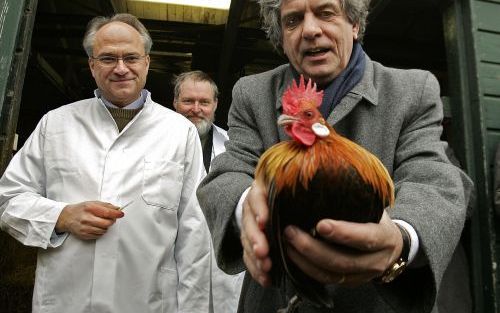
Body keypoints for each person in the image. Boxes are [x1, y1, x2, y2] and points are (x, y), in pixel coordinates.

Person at [196, 0, 474, 312]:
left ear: (354, 25)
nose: (311, 30)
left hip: (376, 303)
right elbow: (229, 169)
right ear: (282, 37)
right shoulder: (253, 93)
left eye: (326, 13)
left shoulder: (412, 89)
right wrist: (250, 207)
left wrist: (400, 239)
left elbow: (434, 176)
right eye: (293, 20)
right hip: (277, 298)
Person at [0, 13, 210, 313]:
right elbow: (7, 199)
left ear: (147, 63)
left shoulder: (179, 132)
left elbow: (195, 236)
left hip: (147, 303)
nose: (121, 68)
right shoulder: (56, 124)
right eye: (108, 58)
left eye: (131, 58)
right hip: (66, 301)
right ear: (92, 65)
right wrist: (61, 217)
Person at [173, 70, 245, 313]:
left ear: (215, 105)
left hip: (223, 265)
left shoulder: (234, 148)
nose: (196, 108)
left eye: (204, 102)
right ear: (175, 103)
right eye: (188, 101)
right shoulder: (156, 146)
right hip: (174, 262)